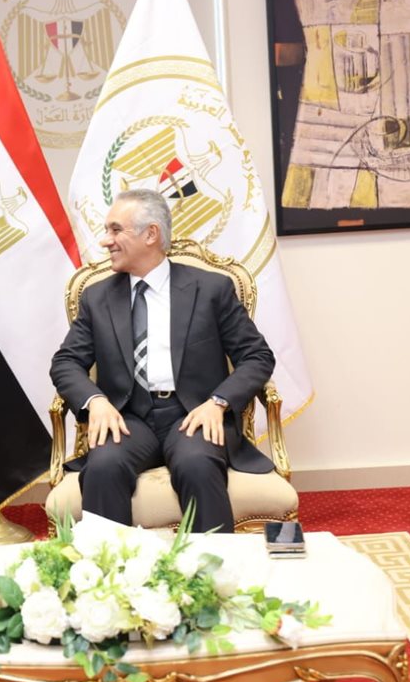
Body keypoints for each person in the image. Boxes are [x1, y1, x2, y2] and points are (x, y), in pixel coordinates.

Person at [49, 188, 275, 533]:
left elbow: (257, 356)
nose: (105, 241)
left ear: (151, 234)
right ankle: (109, 567)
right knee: (103, 466)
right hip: (127, 419)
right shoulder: (98, 298)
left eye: (115, 230)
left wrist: (218, 403)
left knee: (198, 464)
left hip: (192, 414)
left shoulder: (210, 288)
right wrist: (95, 401)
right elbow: (65, 362)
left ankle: (212, 566)